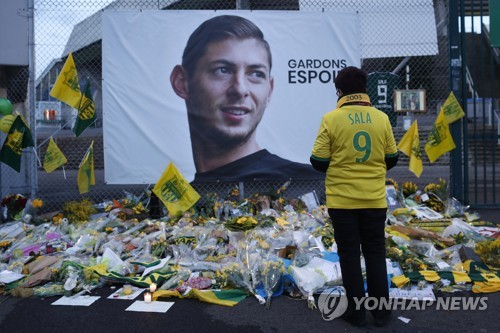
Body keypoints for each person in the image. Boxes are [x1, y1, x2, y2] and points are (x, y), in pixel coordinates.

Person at [170, 15, 323, 182]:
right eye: (222, 70)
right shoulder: (176, 200)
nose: (240, 89)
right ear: (182, 82)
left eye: (256, 74)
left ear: (270, 90)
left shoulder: (309, 184)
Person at [310, 66, 399, 327]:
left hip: (342, 201)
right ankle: (381, 313)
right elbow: (392, 158)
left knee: (349, 255)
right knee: (375, 253)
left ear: (339, 90)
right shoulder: (381, 118)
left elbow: (317, 160)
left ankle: (356, 312)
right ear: (364, 89)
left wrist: (340, 164)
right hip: (374, 199)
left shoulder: (331, 119)